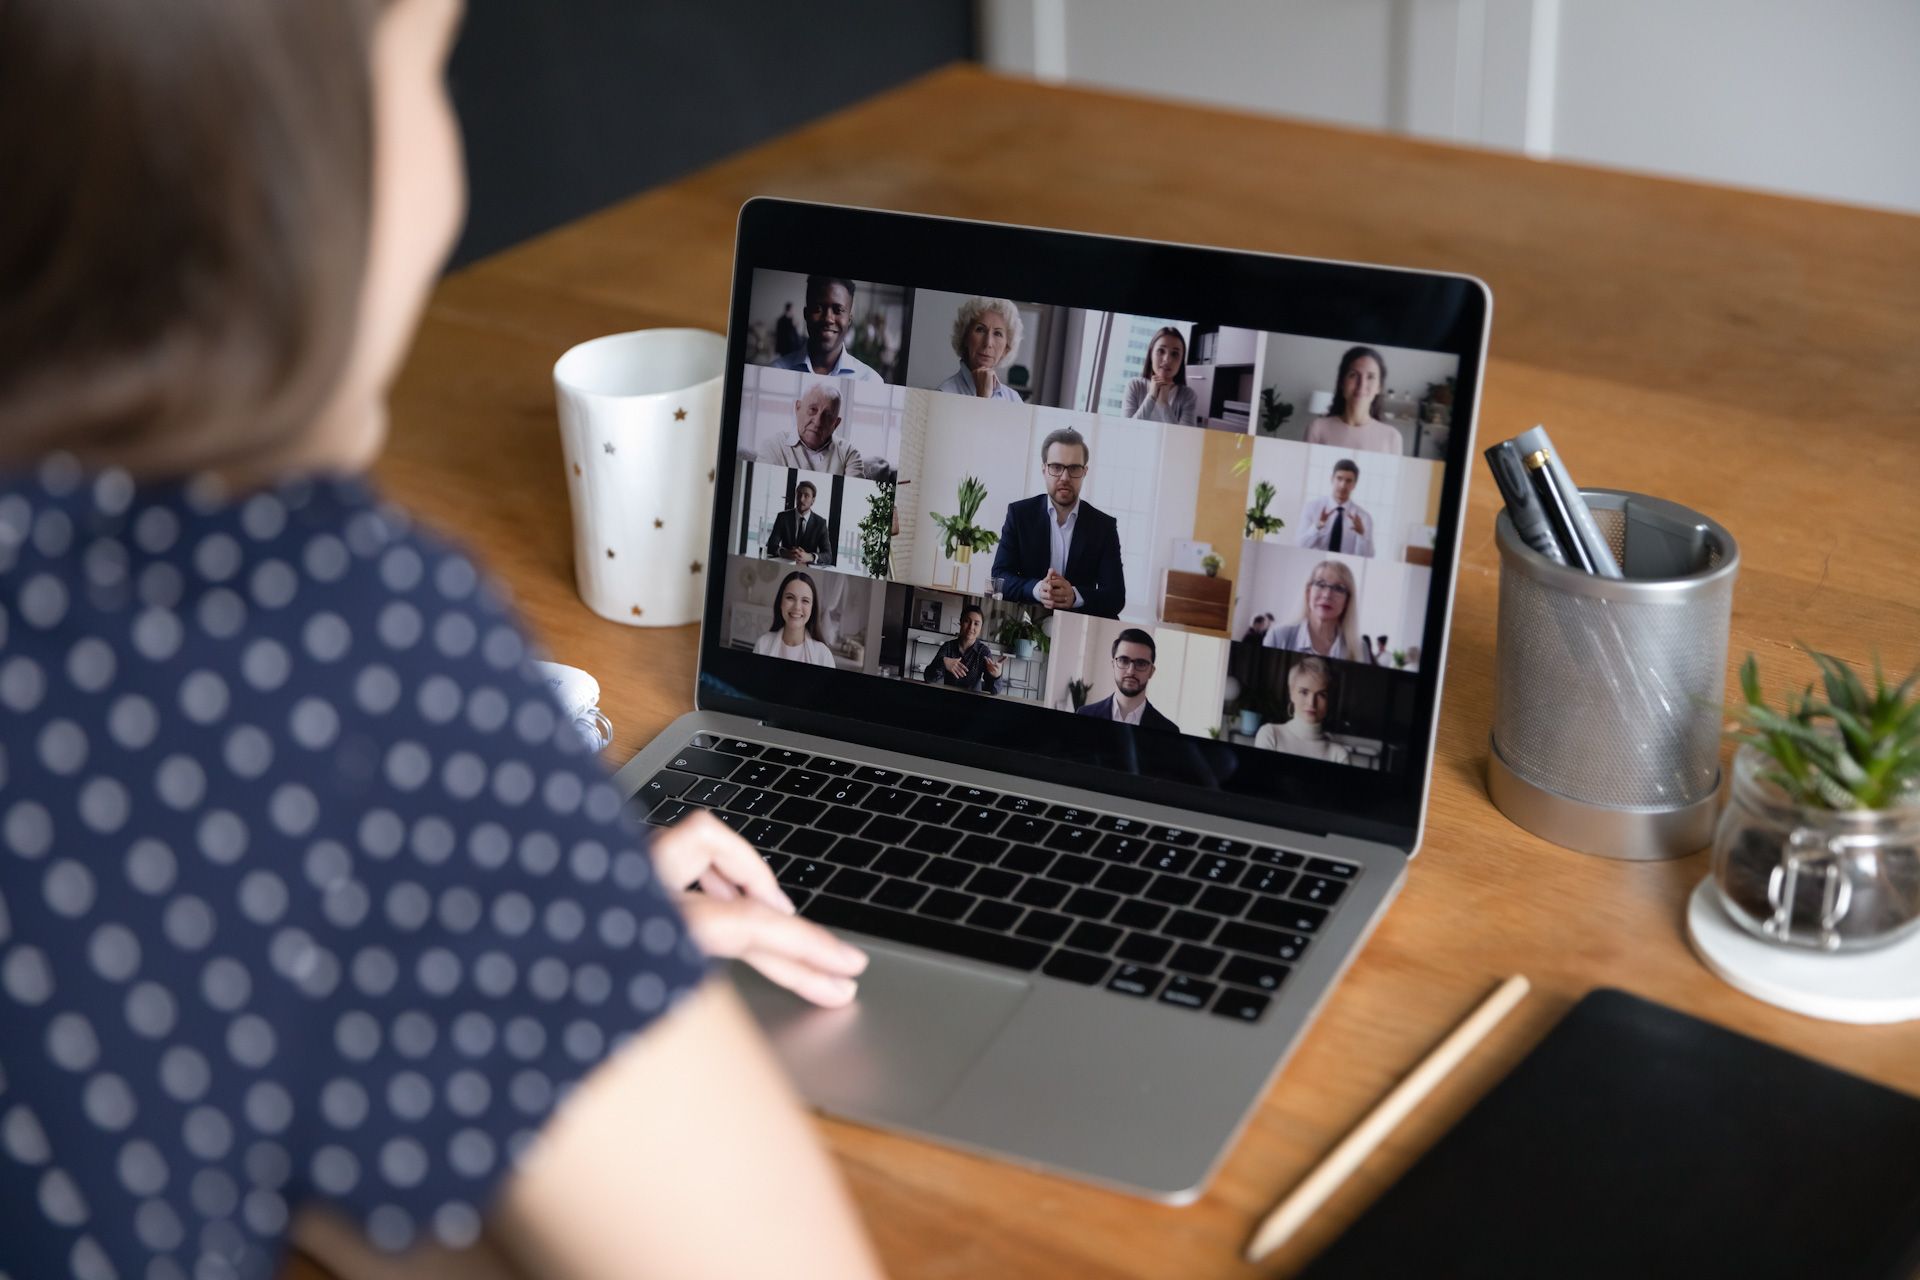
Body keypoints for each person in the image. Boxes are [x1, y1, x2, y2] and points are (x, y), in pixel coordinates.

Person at [0, 3, 883, 1278]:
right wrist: (506, 944)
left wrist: (459, 952)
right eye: (425, 71)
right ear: (265, 142)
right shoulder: (309, 648)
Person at [991, 427, 1126, 618]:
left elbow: (1116, 597)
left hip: (1077, 626)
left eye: (1074, 468)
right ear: (1044, 469)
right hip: (1023, 622)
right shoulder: (1019, 514)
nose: (1065, 477)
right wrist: (1037, 589)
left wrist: (1075, 596)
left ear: (1085, 471)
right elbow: (999, 575)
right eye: (1056, 467)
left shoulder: (1104, 527)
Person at [768, 276, 881, 381]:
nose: (828, 319)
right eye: (818, 308)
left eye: (838, 310)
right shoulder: (774, 373)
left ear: (849, 320)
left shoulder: (869, 381)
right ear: (806, 314)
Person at [1265, 559, 1374, 662]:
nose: (1327, 595)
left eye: (1338, 588)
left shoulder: (1360, 648)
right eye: (1321, 584)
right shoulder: (1278, 637)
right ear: (1308, 592)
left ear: (1347, 601)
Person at [1303, 346, 1403, 455]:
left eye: (1370, 377)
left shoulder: (1392, 437)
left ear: (1379, 387)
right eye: (1353, 375)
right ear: (1341, 382)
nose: (1361, 385)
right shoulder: (1317, 428)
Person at [757, 380, 867, 477]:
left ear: (836, 424)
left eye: (828, 415)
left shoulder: (849, 454)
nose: (818, 422)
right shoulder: (773, 446)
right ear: (798, 408)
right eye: (813, 409)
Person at [1253, 657, 1353, 763]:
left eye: (1321, 695)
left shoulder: (1339, 755)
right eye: (1304, 692)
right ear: (1291, 693)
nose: (1311, 702)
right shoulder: (1271, 735)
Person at [1076, 630, 1179, 731]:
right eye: (1124, 661)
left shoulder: (1169, 729)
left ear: (1151, 671)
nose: (1130, 671)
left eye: (1141, 663)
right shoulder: (1083, 714)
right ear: (1113, 665)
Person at [934, 297, 1025, 402]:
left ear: (1006, 348)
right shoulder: (944, 394)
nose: (988, 343)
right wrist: (983, 398)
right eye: (980, 329)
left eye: (997, 333)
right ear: (965, 337)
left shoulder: (1013, 399)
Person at [753, 571, 839, 667]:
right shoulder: (763, 644)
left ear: (812, 609)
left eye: (805, 601)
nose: (797, 607)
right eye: (790, 597)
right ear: (780, 603)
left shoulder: (823, 654)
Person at [1296, 458, 1374, 557]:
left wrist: (1362, 535)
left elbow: (1367, 557)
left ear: (1354, 485)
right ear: (1332, 479)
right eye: (1339, 478)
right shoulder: (1311, 508)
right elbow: (1299, 546)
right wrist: (1317, 527)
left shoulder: (1364, 517)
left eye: (1348, 481)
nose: (1343, 485)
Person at [1121, 326, 1198, 425]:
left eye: (1175, 354)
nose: (1167, 359)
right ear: (1151, 353)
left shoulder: (1188, 396)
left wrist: (1163, 404)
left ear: (1181, 361)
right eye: (1161, 351)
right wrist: (1151, 397)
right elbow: (1126, 429)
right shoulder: (1135, 385)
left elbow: (1184, 438)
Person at [922, 603, 1002, 693]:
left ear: (981, 628)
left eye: (976, 624)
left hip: (973, 702)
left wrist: (996, 676)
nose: (971, 627)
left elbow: (995, 691)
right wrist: (942, 662)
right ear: (960, 622)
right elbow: (928, 678)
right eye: (967, 621)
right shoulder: (948, 647)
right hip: (948, 700)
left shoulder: (983, 651)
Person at [765, 479, 833, 566]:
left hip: (807, 568)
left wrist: (809, 557)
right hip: (785, 565)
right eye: (799, 495)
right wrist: (786, 553)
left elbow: (828, 556)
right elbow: (771, 546)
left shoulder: (820, 523)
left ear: (813, 500)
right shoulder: (783, 517)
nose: (801, 499)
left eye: (806, 496)